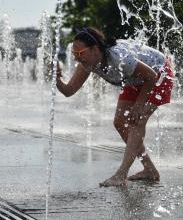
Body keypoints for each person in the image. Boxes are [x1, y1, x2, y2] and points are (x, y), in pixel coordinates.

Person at [56, 27, 174, 187]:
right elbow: (69, 91)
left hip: (158, 73)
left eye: (80, 53)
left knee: (137, 120)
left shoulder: (119, 58)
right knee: (119, 122)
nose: (77, 59)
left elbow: (151, 76)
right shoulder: (87, 64)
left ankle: (121, 174)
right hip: (136, 80)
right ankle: (149, 169)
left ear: (95, 49)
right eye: (74, 55)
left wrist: (139, 105)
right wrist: (55, 78)